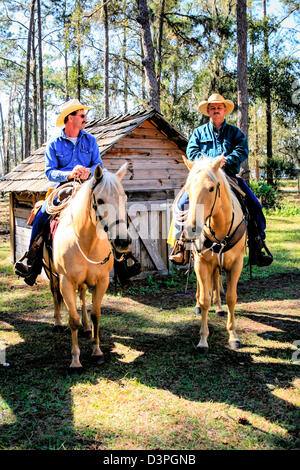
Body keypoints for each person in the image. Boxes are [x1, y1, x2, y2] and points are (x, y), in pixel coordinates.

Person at [169, 93, 273, 267]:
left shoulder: (235, 132)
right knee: (181, 204)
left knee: (254, 205)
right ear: (208, 111)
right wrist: (209, 162)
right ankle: (181, 246)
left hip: (229, 177)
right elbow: (192, 152)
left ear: (224, 110)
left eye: (219, 107)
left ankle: (257, 244)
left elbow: (242, 150)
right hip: (204, 178)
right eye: (212, 108)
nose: (216, 110)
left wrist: (227, 160)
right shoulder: (199, 132)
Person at [15, 98, 104, 285]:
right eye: (82, 115)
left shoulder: (90, 140)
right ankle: (32, 263)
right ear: (70, 118)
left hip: (87, 187)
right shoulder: (54, 143)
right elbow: (49, 172)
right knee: (41, 215)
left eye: (85, 115)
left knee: (111, 208)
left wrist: (89, 171)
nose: (85, 119)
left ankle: (121, 260)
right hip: (63, 189)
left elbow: (99, 165)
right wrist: (68, 174)